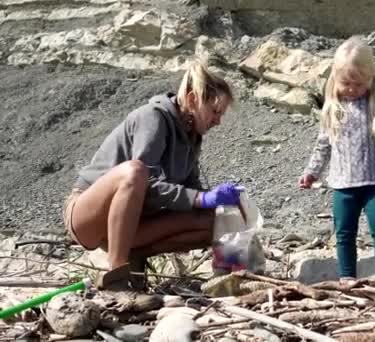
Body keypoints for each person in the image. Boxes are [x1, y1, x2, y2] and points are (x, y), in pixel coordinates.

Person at [62, 59, 243, 291]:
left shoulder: (192, 137)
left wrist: (221, 205)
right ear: (191, 100)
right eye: (215, 111)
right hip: (89, 217)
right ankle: (116, 280)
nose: (218, 120)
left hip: (134, 225)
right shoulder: (154, 117)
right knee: (136, 171)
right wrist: (201, 198)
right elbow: (148, 184)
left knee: (217, 218)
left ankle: (228, 279)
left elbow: (191, 191)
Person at [299, 36, 375, 281]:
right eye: (346, 83)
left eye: (358, 84)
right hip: (343, 184)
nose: (351, 90)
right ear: (335, 79)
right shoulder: (332, 108)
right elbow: (322, 145)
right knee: (344, 233)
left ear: (370, 79)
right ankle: (347, 277)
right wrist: (312, 172)